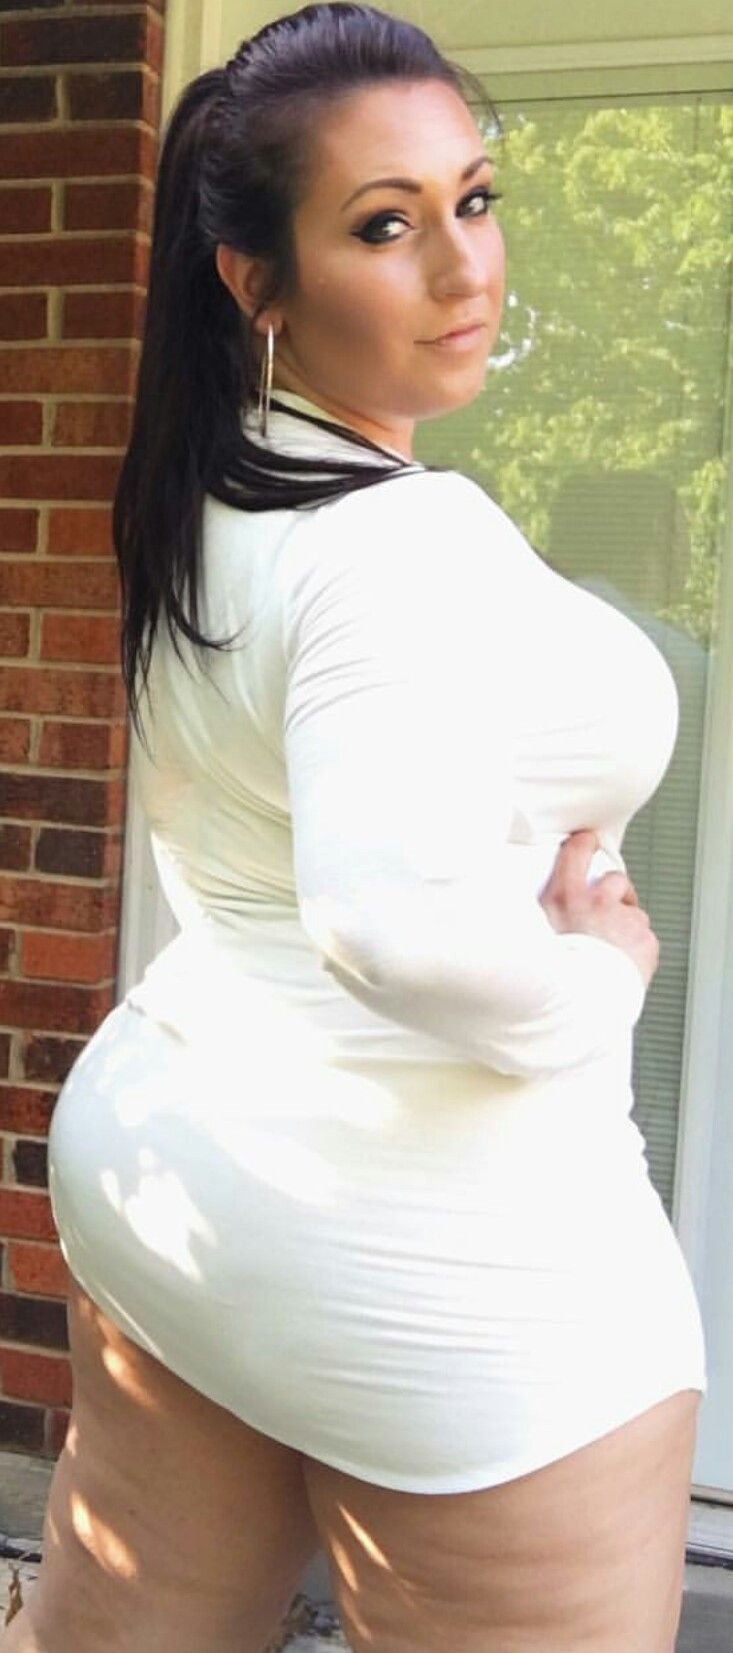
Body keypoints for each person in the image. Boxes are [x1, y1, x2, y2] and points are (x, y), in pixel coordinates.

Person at [3, 6, 706, 1650]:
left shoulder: (215, 491)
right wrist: (599, 980)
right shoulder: (394, 543)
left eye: (474, 198)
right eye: (384, 226)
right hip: (437, 1241)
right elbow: (389, 926)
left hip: (189, 1168)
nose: (465, 267)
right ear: (258, 281)